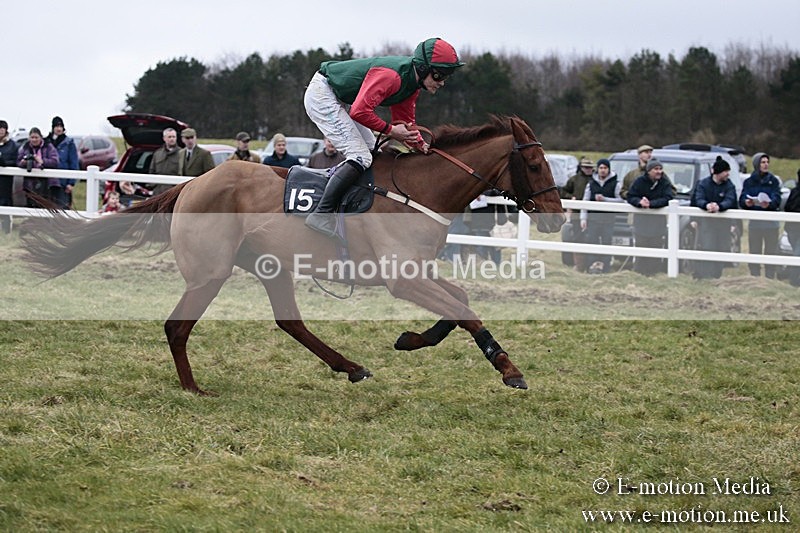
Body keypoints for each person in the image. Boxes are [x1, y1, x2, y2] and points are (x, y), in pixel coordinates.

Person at [303, 37, 465, 240]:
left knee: (374, 152)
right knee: (361, 157)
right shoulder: (392, 76)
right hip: (323, 94)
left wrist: (420, 145)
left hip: (342, 99)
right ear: (423, 68)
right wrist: (391, 131)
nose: (442, 82)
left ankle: (357, 208)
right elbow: (360, 112)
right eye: (439, 75)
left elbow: (404, 123)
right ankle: (320, 214)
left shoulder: (411, 85)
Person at [626, 158, 675, 276]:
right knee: (641, 249)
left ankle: (654, 274)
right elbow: (630, 196)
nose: (659, 171)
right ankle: (639, 274)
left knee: (656, 249)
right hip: (641, 223)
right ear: (649, 171)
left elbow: (668, 197)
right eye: (656, 169)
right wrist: (639, 202)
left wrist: (651, 204)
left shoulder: (664, 182)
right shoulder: (639, 182)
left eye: (660, 169)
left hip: (658, 224)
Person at [691, 156, 737, 279]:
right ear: (718, 172)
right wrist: (706, 205)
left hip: (723, 224)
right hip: (707, 223)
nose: (728, 174)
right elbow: (698, 199)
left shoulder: (729, 185)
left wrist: (719, 207)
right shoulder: (703, 184)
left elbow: (730, 200)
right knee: (707, 246)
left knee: (721, 248)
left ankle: (717, 276)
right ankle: (705, 276)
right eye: (725, 171)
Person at [738, 152, 782, 278]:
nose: (766, 164)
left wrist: (769, 204)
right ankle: (755, 276)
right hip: (755, 223)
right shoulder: (749, 182)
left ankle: (769, 277)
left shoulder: (774, 181)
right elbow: (742, 199)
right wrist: (747, 203)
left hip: (771, 224)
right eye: (763, 162)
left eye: (767, 162)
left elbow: (777, 199)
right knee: (754, 250)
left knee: (771, 251)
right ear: (757, 164)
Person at [580, 158, 623, 274]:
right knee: (591, 242)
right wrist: (583, 218)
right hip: (593, 219)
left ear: (609, 169)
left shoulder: (616, 183)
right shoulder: (591, 184)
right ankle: (591, 267)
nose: (603, 170)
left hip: (608, 219)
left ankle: (606, 268)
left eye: (605, 168)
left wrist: (605, 200)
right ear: (597, 169)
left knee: (607, 242)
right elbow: (585, 201)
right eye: (601, 168)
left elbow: (621, 200)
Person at [560, 157, 595, 271]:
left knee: (591, 239)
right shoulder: (574, 179)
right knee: (577, 238)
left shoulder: (595, 179)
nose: (588, 169)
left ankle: (590, 264)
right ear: (581, 167)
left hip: (592, 215)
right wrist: (571, 197)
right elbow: (563, 191)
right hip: (576, 214)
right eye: (586, 167)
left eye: (590, 167)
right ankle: (579, 265)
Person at [16, 127, 59, 207]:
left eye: (36, 137)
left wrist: (42, 161)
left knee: (45, 206)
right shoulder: (25, 147)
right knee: (31, 206)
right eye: (32, 137)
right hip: (30, 183)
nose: (34, 140)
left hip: (46, 183)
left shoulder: (48, 147)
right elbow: (18, 162)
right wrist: (23, 162)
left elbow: (55, 162)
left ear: (41, 137)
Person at [44, 116, 79, 208]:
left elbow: (74, 163)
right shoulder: (46, 142)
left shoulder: (69, 143)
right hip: (48, 181)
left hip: (62, 182)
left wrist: (71, 183)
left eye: (61, 126)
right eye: (56, 126)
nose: (59, 129)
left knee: (62, 207)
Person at [148, 127, 181, 195]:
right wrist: (153, 185)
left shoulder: (182, 153)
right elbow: (152, 171)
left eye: (174, 137)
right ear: (164, 138)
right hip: (158, 191)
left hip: (175, 191)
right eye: (169, 137)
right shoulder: (157, 153)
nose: (172, 139)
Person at [0, 120, 18, 233]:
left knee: (5, 202)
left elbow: (16, 161)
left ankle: (6, 230)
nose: (0, 130)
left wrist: (4, 163)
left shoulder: (12, 145)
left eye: (2, 128)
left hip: (6, 181)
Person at [783, 169, 800, 287]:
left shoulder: (794, 192)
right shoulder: (794, 192)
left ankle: (794, 280)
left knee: (797, 253)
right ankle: (793, 279)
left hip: (793, 229)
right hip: (793, 229)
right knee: (796, 253)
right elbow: (787, 208)